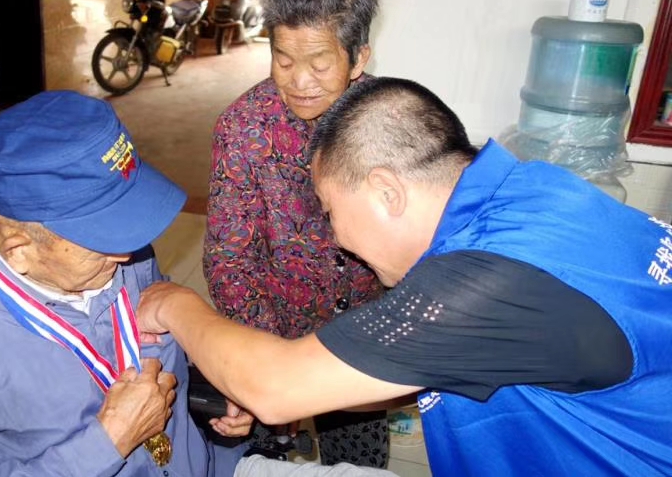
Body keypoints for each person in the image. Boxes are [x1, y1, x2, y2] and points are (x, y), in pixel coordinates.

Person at [139, 77, 672, 476]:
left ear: (386, 192)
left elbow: (275, 387)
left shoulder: (485, 283)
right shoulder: (531, 191)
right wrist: (316, 388)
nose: (335, 237)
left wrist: (173, 303)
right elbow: (395, 372)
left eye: (330, 210)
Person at [0, 91, 250, 476]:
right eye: (102, 236)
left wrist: (215, 375)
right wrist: (106, 442)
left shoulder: (120, 247)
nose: (128, 251)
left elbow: (160, 345)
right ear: (19, 251)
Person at [203, 0, 388, 467]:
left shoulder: (388, 122)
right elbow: (229, 261)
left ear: (358, 58)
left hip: (361, 335)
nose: (299, 81)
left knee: (360, 459)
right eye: (283, 61)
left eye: (319, 63)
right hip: (272, 332)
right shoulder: (243, 129)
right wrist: (271, 363)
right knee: (262, 457)